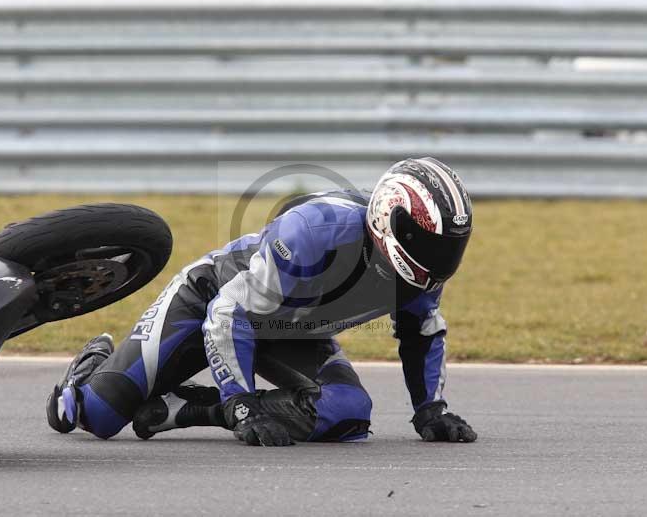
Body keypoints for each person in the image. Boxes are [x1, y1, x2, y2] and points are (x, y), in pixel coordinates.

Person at [46, 157, 477, 446]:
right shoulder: (314, 231)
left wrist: (430, 410)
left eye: (450, 246)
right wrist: (241, 403)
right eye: (428, 243)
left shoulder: (422, 274)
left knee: (350, 414)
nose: (439, 259)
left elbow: (422, 334)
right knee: (91, 415)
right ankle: (95, 362)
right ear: (387, 218)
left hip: (296, 332)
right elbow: (228, 313)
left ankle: (194, 408)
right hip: (210, 302)